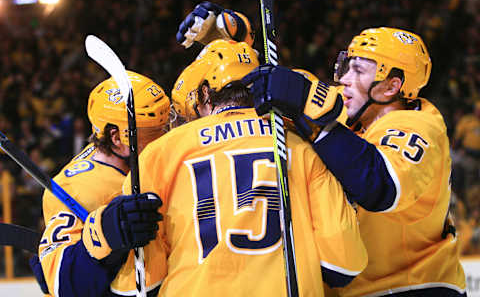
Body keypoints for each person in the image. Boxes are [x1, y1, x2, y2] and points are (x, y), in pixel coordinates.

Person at [108, 39, 367, 296]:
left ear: (205, 94)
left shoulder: (161, 152)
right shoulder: (299, 146)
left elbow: (143, 282)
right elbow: (343, 265)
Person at [246, 27, 467, 296]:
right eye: (346, 67)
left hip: (414, 287)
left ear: (391, 86)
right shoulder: (354, 111)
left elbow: (380, 186)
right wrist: (239, 41)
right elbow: (288, 88)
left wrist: (314, 120)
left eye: (359, 71)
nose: (345, 80)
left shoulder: (419, 124)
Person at [34, 71, 170, 297]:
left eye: (165, 126)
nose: (164, 137)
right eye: (153, 132)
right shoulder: (75, 188)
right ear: (116, 137)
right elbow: (61, 283)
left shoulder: (137, 158)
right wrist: (104, 234)